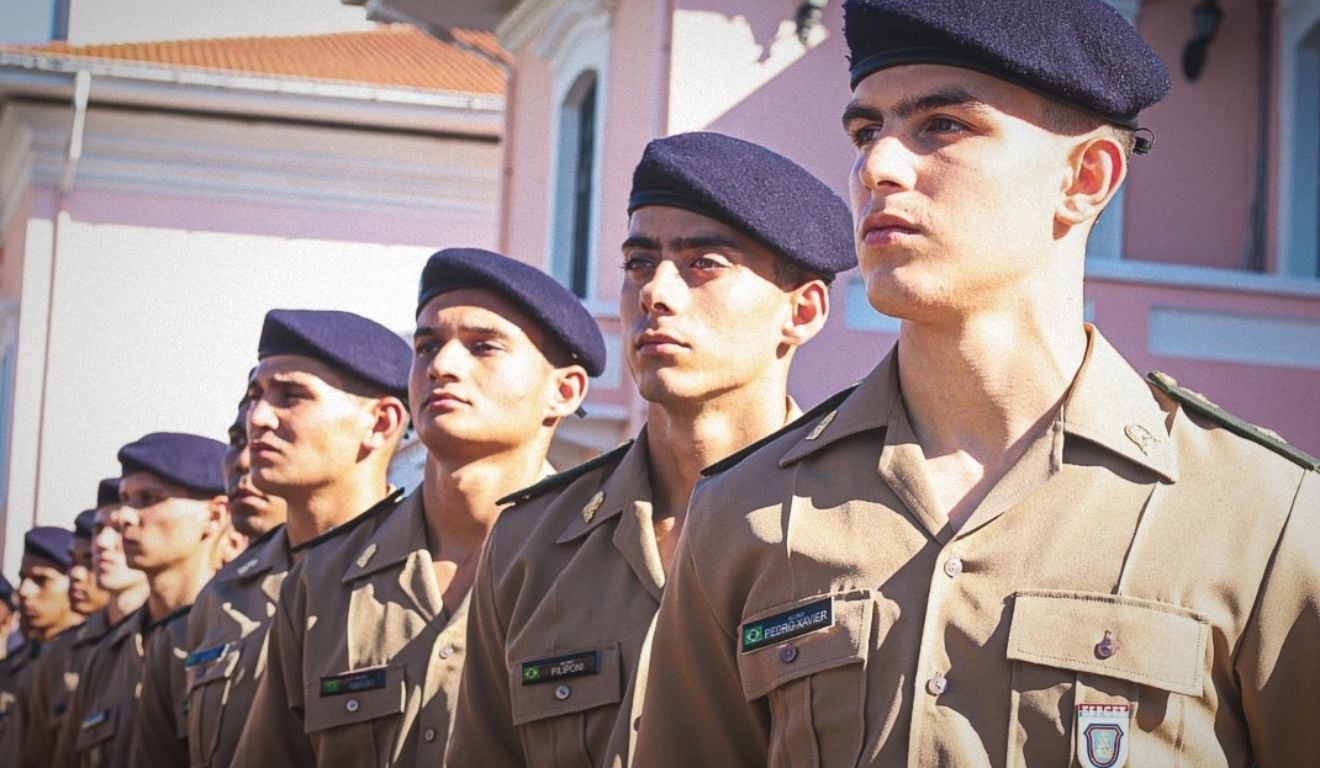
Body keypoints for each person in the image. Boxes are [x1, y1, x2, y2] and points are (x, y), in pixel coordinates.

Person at [632, 1, 1320, 766]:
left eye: (943, 126)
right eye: (866, 132)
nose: (877, 167)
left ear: (1085, 178)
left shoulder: (1264, 518)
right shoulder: (744, 513)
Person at [447, 132, 855, 768]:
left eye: (704, 263)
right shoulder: (532, 544)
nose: (655, 292)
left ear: (801, 312)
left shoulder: (863, 523)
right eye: (639, 262)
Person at [233, 248, 604, 766]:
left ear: (564, 391)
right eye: (427, 347)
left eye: (483, 347)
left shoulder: (609, 565)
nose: (442, 366)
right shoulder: (322, 583)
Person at [187, 308, 406, 768]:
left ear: (380, 423)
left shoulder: (425, 575)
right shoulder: (222, 597)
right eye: (256, 396)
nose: (258, 418)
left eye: (291, 396)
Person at [52, 477, 151, 768]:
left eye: (118, 528)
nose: (102, 543)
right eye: (98, 530)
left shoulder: (185, 632)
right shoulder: (96, 657)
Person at [24, 508, 110, 766]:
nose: (76, 574)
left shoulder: (155, 640)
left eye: (89, 560)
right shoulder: (58, 656)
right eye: (73, 562)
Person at [0, 527, 81, 759]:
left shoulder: (88, 666)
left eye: (41, 580)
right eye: (22, 579)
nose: (24, 591)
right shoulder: (7, 670)